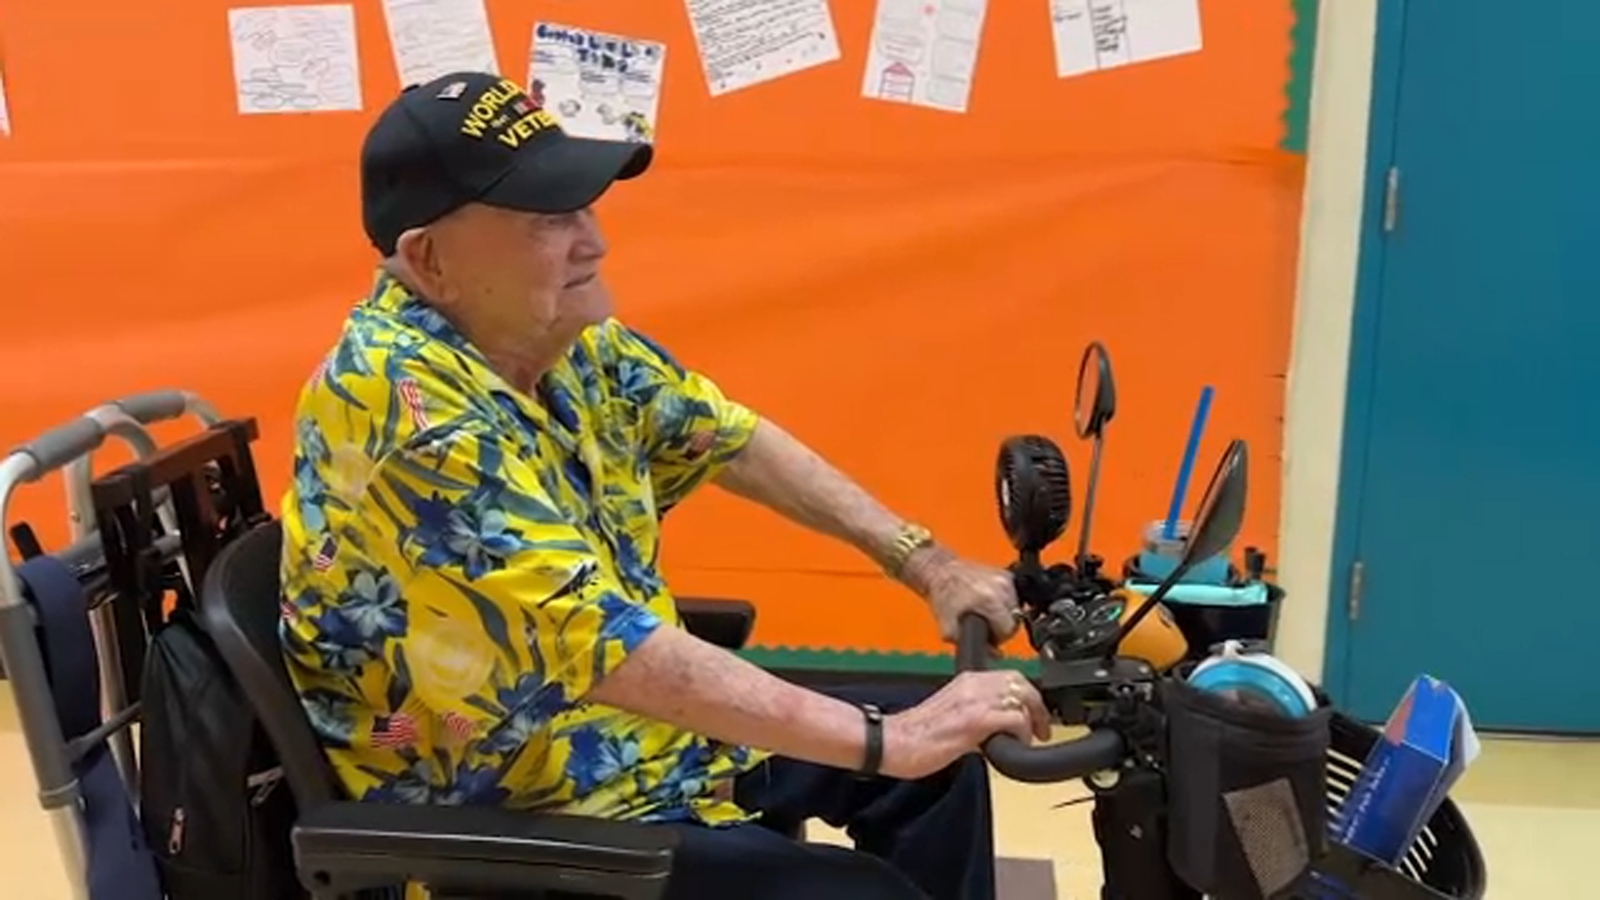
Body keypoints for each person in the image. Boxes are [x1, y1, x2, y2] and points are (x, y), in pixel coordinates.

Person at [279, 72, 1053, 900]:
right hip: (515, 812)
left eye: (584, 209)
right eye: (548, 220)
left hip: (630, 748)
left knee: (941, 773)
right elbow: (609, 651)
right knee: (868, 883)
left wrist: (925, 564)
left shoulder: (558, 340)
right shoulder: (407, 414)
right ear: (431, 260)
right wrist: (889, 741)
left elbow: (730, 438)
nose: (594, 242)